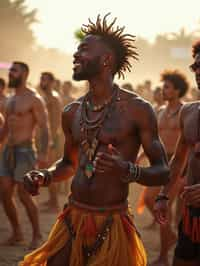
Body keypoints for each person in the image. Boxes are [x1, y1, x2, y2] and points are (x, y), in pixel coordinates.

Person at [20, 14, 169, 266]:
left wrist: (129, 170)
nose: (76, 56)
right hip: (71, 218)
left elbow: (163, 171)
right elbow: (69, 164)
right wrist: (45, 175)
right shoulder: (72, 111)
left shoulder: (137, 109)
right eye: (77, 49)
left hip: (112, 223)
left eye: (84, 50)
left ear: (106, 60)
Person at [154, 41, 200, 266]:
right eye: (196, 66)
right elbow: (179, 159)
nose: (199, 71)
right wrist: (163, 195)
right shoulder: (189, 112)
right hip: (193, 216)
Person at [0, 61, 49, 248]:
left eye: (14, 70)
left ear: (25, 74)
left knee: (24, 194)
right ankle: (17, 232)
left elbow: (45, 128)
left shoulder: (34, 98)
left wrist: (44, 153)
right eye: (10, 70)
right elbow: (5, 128)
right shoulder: (11, 99)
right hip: (8, 151)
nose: (10, 73)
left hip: (25, 151)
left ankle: (37, 234)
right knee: (5, 193)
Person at [147, 70, 189, 266]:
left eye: (167, 87)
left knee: (167, 210)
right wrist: (141, 154)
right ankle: (171, 236)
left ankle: (164, 256)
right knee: (149, 199)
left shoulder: (185, 111)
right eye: (163, 87)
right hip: (161, 163)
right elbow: (155, 138)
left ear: (177, 90)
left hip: (179, 166)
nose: (163, 90)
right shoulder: (160, 111)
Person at [39, 71, 63, 212]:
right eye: (41, 79)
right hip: (46, 139)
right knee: (45, 170)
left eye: (45, 80)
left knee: (50, 171)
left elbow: (55, 122)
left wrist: (51, 141)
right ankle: (51, 200)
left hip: (52, 140)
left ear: (52, 82)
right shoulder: (46, 97)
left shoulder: (53, 98)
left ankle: (54, 204)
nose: (42, 82)